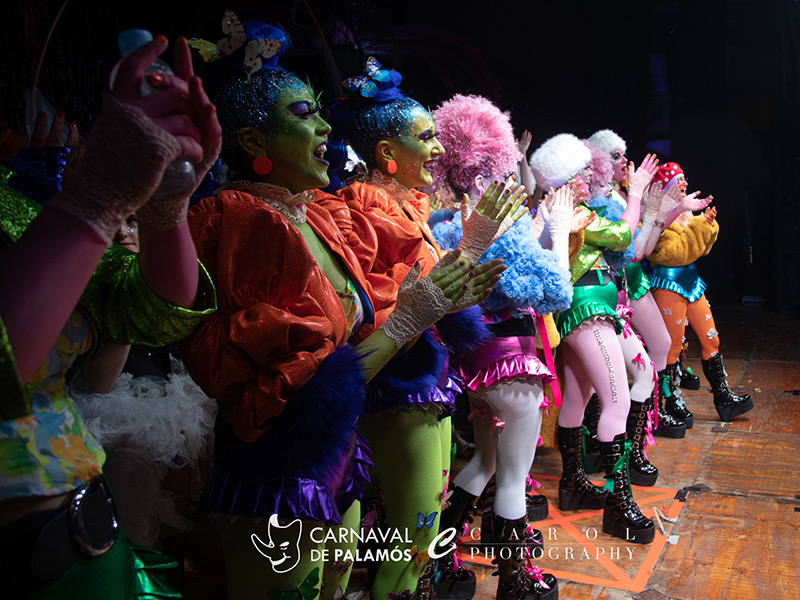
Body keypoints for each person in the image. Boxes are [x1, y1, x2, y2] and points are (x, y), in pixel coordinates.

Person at [181, 16, 492, 600]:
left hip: (342, 445)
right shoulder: (237, 222)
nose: (326, 124)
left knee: (356, 578)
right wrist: (414, 314)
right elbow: (289, 377)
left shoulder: (321, 214)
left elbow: (370, 317)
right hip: (281, 464)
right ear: (252, 143)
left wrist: (434, 297)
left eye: (321, 111)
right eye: (303, 114)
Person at [0, 35, 220, 598]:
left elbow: (153, 311)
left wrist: (166, 207)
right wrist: (94, 202)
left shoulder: (25, 203)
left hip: (88, 544)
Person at [325, 61, 519, 600]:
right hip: (393, 380)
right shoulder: (362, 214)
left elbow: (435, 294)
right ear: (388, 154)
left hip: (420, 376)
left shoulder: (407, 208)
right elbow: (383, 309)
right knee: (409, 535)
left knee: (420, 526)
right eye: (426, 137)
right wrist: (454, 273)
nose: (437, 151)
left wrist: (471, 252)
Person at [429, 94, 576, 600]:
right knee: (514, 476)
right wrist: (556, 234)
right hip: (509, 360)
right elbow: (556, 291)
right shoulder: (501, 219)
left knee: (484, 465)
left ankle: (440, 560)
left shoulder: (444, 220)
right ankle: (517, 581)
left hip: (471, 364)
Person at [529, 133, 658, 544]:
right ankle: (619, 505)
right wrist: (636, 194)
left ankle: (572, 484)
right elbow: (624, 237)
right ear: (565, 179)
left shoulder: (565, 210)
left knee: (579, 399)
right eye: (581, 171)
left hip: (589, 311)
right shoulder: (575, 213)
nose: (590, 175)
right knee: (616, 401)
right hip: (588, 312)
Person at [645, 162, 754, 422]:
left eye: (684, 178)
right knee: (672, 349)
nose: (683, 183)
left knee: (711, 339)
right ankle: (670, 402)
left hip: (692, 283)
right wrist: (699, 227)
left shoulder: (685, 213)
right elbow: (673, 254)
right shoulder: (659, 215)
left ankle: (723, 396)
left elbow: (698, 251)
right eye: (678, 179)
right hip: (669, 286)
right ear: (665, 185)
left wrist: (707, 225)